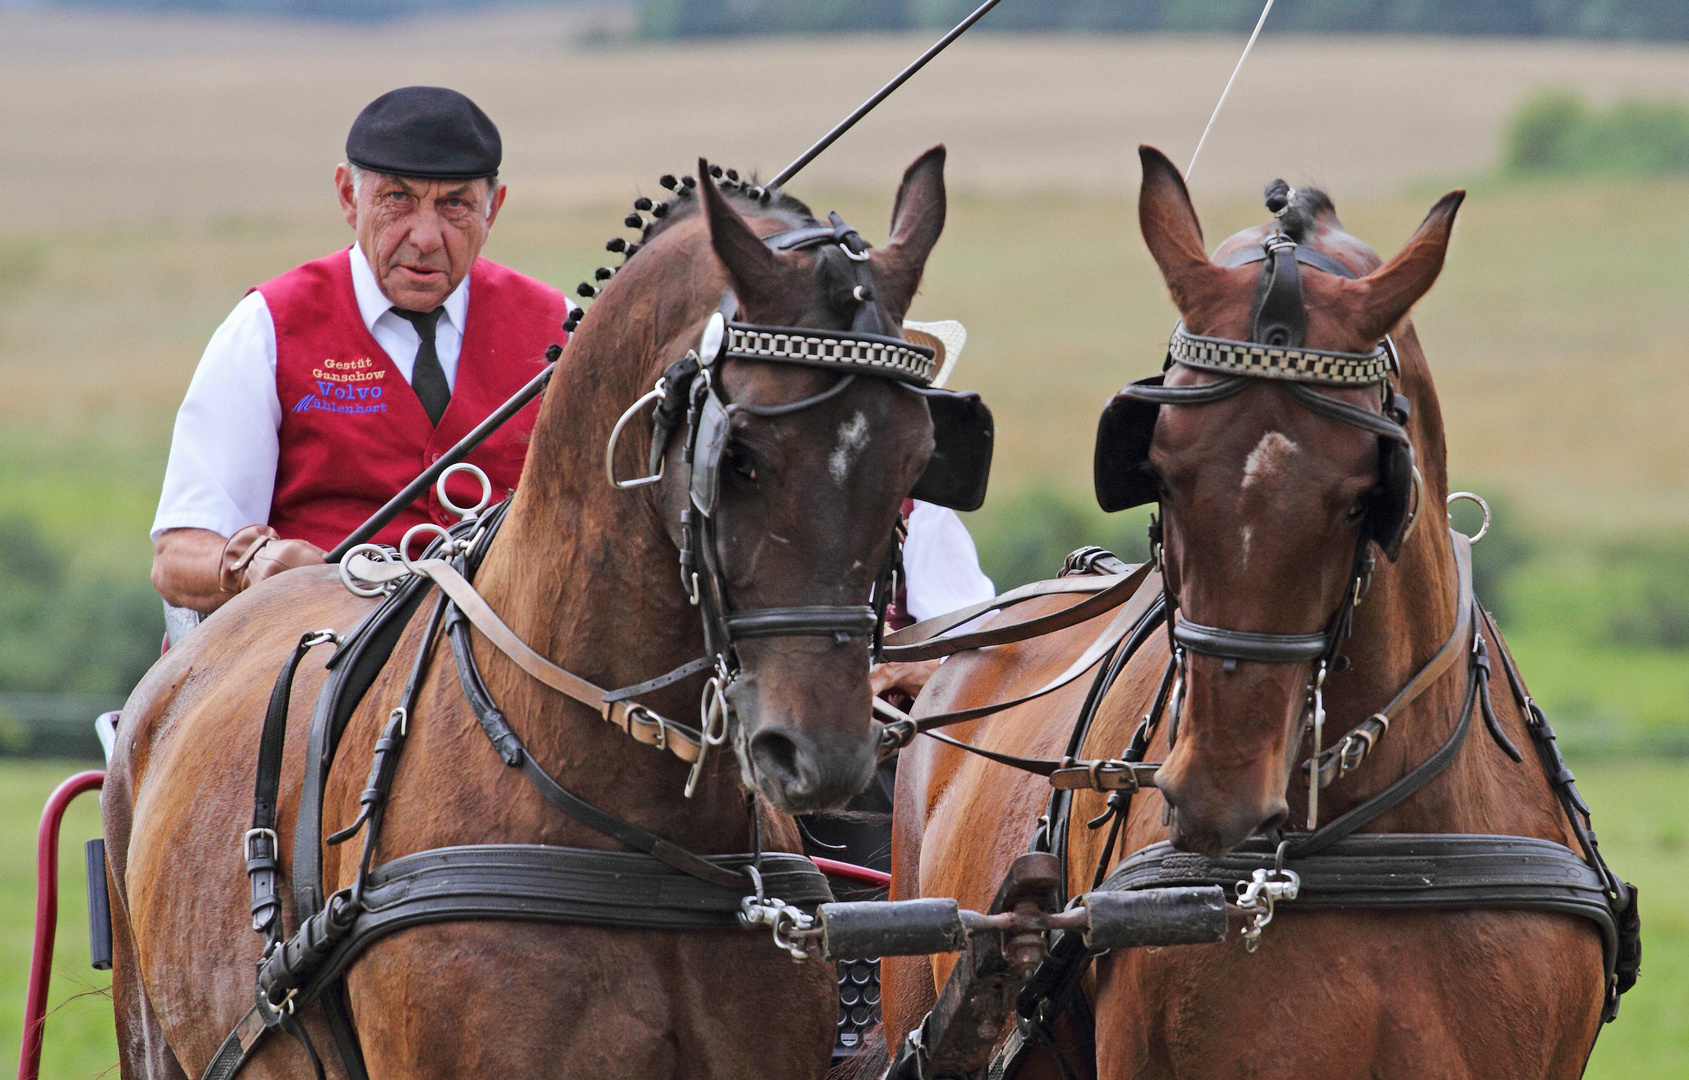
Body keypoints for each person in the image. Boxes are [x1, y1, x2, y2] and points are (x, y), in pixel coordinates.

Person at [150, 86, 571, 643]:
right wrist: (252, 563)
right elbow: (178, 555)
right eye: (397, 198)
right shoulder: (267, 327)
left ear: (493, 208)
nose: (425, 237)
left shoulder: (559, 328)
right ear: (349, 196)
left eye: (455, 205)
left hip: (510, 658)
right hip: (312, 659)